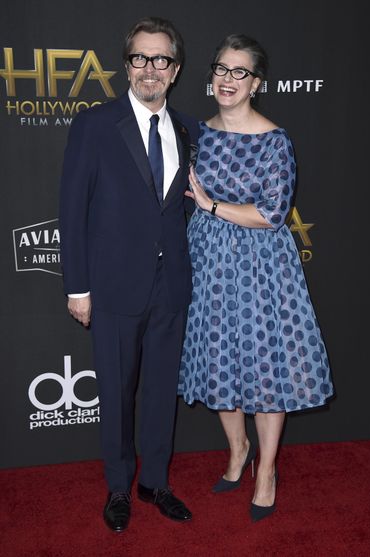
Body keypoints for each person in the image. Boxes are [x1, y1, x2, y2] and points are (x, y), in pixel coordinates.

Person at [178, 34, 333, 522]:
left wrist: (212, 206)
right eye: (222, 69)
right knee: (219, 357)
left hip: (262, 268)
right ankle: (237, 450)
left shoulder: (273, 140)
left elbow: (272, 212)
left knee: (267, 370)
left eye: (239, 72)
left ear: (256, 83)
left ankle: (266, 471)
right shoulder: (197, 133)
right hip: (208, 262)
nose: (228, 79)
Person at [59, 17, 199, 532]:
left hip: (171, 286)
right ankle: (119, 487)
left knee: (161, 391)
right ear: (127, 64)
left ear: (175, 69)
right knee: (117, 395)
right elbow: (72, 209)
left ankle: (154, 482)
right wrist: (78, 286)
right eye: (140, 58)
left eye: (161, 59)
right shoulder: (96, 124)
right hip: (113, 284)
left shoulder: (185, 128)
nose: (150, 69)